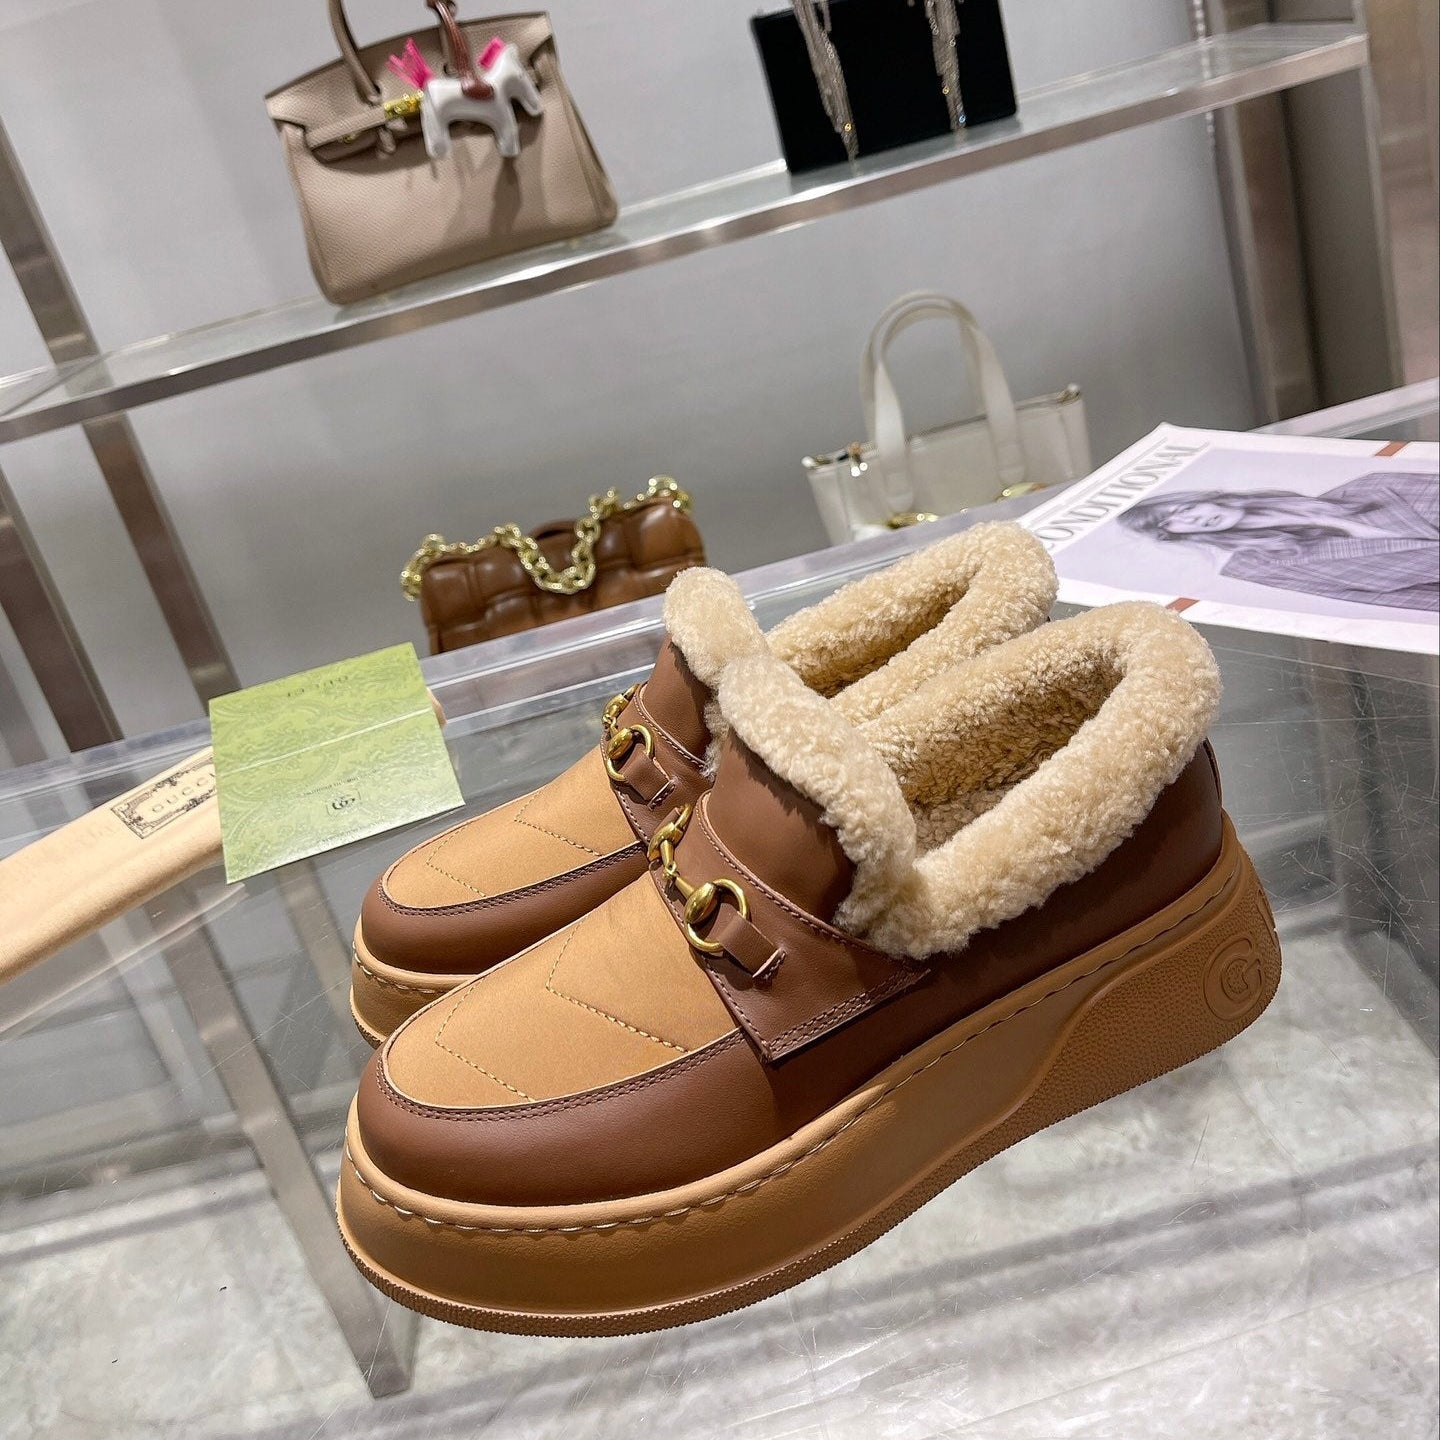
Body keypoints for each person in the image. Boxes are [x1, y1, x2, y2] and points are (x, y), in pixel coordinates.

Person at [1117, 471, 1439, 612]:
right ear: (1173, 534)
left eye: (1186, 508)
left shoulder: (1373, 484)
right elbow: (1399, 601)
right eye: (1171, 522)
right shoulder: (1255, 566)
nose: (1192, 520)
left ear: (1203, 498)